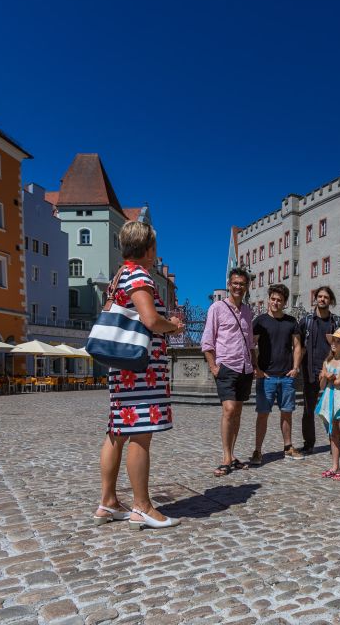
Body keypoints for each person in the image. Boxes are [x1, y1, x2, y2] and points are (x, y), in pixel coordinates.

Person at [95, 220, 185, 530]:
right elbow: (149, 320)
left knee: (117, 432)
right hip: (140, 370)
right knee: (140, 435)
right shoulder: (138, 276)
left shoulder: (119, 275)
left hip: (121, 368)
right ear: (148, 249)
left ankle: (107, 501)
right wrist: (173, 325)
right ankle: (142, 506)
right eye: (155, 247)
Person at [201, 267, 258, 477]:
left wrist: (255, 365)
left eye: (242, 284)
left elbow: (251, 342)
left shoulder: (247, 311)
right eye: (235, 283)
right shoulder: (217, 308)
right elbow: (207, 340)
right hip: (226, 365)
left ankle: (232, 454)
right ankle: (226, 457)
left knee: (238, 412)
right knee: (229, 409)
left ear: (246, 286)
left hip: (245, 367)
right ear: (229, 284)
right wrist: (214, 367)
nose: (238, 287)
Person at [251, 284, 303, 465]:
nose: (275, 302)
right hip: (266, 376)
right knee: (263, 414)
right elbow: (251, 346)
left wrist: (296, 368)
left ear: (285, 302)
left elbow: (297, 346)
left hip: (286, 375)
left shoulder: (291, 322)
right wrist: (256, 368)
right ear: (269, 299)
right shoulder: (260, 321)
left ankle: (288, 447)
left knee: (287, 413)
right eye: (273, 299)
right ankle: (258, 450)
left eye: (279, 300)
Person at [298, 287, 340, 456]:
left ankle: (336, 443)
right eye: (319, 296)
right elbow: (299, 346)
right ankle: (309, 444)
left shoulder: (338, 322)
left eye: (326, 297)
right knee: (308, 410)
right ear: (315, 298)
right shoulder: (306, 321)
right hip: (311, 370)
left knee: (334, 408)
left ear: (330, 300)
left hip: (333, 371)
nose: (322, 299)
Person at [315, 327, 340, 480]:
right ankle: (334, 466)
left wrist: (326, 375)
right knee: (333, 434)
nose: (334, 343)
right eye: (333, 340)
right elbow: (321, 385)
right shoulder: (327, 361)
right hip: (329, 398)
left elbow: (338, 382)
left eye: (338, 341)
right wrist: (325, 376)